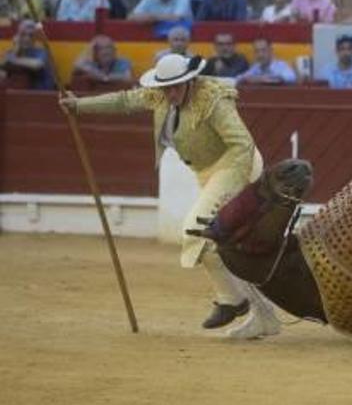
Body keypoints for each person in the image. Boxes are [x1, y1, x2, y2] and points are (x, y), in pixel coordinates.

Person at [59, 53, 282, 339]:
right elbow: (125, 101)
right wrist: (79, 105)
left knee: (196, 230)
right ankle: (262, 315)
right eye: (166, 87)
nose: (171, 93)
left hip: (236, 166)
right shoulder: (161, 95)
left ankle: (233, 300)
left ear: (190, 81)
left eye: (176, 86)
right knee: (223, 242)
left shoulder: (213, 100)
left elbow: (242, 146)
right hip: (208, 173)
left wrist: (234, 189)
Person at [0, 20, 54, 89]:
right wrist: (16, 48)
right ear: (17, 36)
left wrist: (13, 60)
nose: (27, 39)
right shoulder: (12, 52)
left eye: (31, 35)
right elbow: (3, 71)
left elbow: (38, 64)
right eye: (23, 35)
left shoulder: (42, 52)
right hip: (18, 95)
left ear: (35, 38)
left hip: (41, 95)